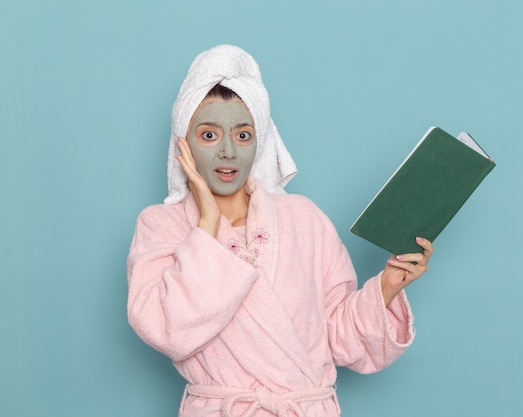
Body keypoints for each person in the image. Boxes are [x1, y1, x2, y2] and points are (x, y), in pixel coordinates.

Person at [127, 44, 433, 417]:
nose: (228, 152)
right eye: (209, 135)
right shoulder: (161, 225)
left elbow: (339, 338)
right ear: (183, 143)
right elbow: (168, 330)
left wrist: (387, 286)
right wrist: (206, 224)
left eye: (243, 135)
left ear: (260, 142)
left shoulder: (303, 218)